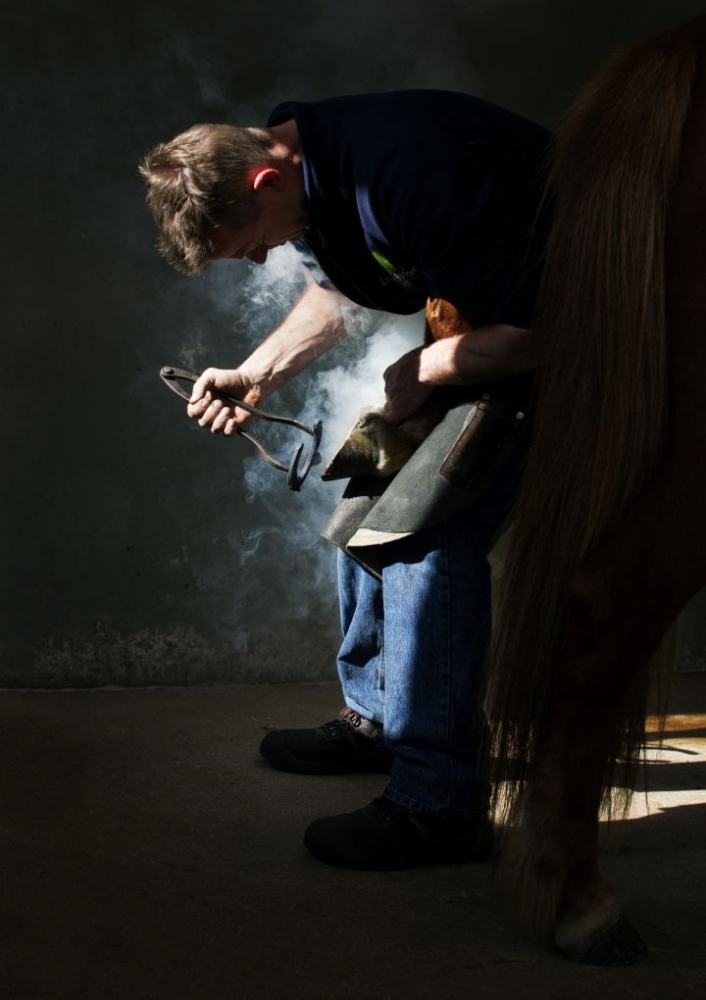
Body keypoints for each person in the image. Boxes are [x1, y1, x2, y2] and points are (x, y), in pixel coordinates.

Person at [140, 91, 550, 872]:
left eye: (252, 246)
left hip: (575, 336)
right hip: (478, 337)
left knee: (423, 537)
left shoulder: (405, 166)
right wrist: (256, 373)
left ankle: (440, 802)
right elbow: (338, 290)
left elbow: (547, 323)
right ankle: (378, 720)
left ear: (265, 181)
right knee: (358, 501)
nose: (262, 260)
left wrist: (425, 367)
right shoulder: (311, 184)